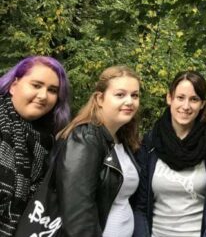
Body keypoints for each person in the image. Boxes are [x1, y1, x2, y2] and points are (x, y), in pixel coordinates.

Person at [134, 71, 206, 237]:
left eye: (194, 99)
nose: (186, 106)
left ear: (202, 104)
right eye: (180, 97)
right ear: (169, 98)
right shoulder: (151, 143)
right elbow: (140, 207)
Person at [55, 65, 141, 237]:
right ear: (100, 99)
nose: (129, 101)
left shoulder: (121, 139)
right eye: (120, 95)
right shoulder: (86, 138)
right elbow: (77, 216)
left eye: (135, 95)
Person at [0, 56, 71, 237]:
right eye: (36, 85)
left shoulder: (47, 142)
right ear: (14, 86)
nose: (43, 96)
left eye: (52, 90)